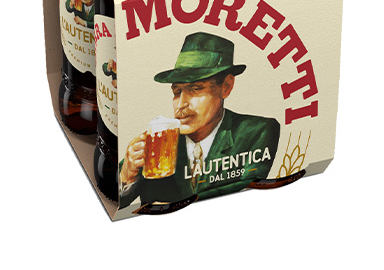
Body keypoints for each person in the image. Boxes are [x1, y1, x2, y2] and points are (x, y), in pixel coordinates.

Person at [119, 32, 280, 206]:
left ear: (226, 87)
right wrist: (126, 176)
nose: (181, 104)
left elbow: (243, 195)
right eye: (176, 92)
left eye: (195, 89)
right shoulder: (159, 141)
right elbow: (114, 200)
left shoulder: (257, 132)